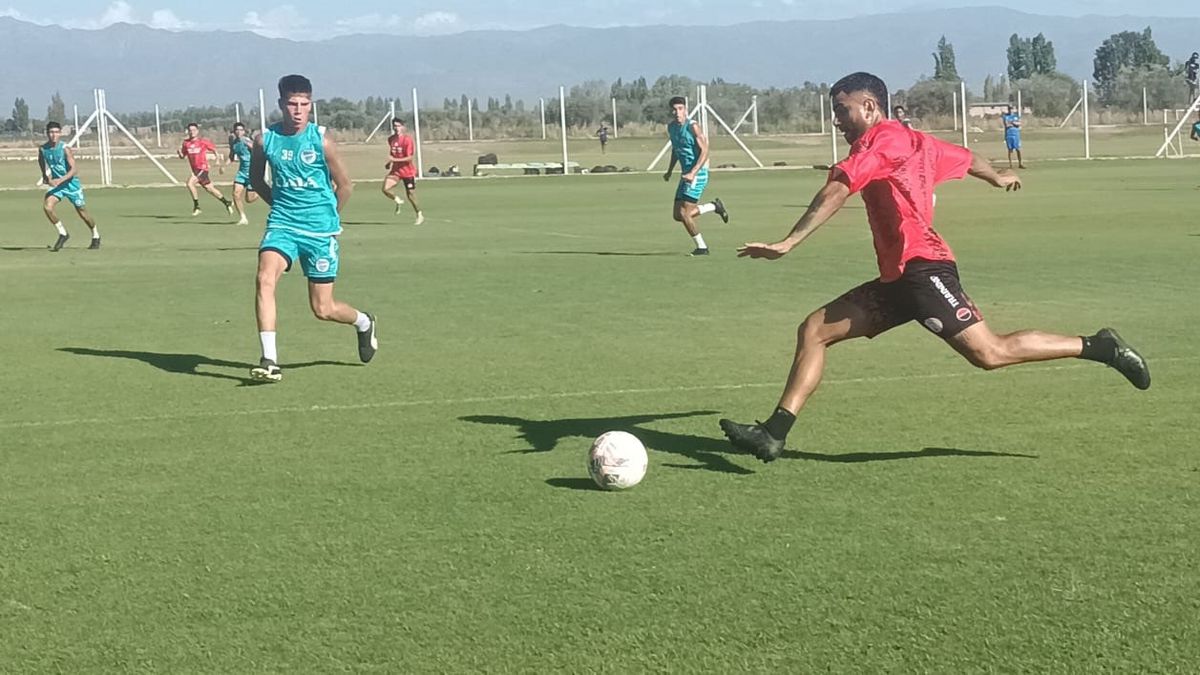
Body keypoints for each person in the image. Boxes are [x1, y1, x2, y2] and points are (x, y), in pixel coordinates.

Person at [718, 72, 1150, 463]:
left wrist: (789, 241)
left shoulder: (881, 142)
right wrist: (996, 176)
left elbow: (839, 187)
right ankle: (772, 435)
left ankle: (1100, 347)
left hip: (924, 270)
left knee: (990, 353)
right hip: (900, 278)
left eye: (842, 110)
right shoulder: (918, 141)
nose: (838, 121)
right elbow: (964, 156)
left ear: (870, 107)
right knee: (815, 330)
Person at [248, 74, 378, 383]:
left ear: (311, 105)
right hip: (282, 226)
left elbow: (346, 186)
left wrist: (329, 217)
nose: (298, 110)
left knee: (323, 308)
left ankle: (363, 322)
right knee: (264, 278)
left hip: (320, 233)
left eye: (304, 104)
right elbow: (256, 180)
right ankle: (269, 360)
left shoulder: (322, 141)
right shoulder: (264, 140)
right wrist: (280, 208)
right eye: (292, 104)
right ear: (281, 104)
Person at [663, 96, 728, 256]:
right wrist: (670, 170)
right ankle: (714, 206)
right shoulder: (671, 128)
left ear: (685, 109)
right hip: (686, 174)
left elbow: (705, 151)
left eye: (680, 108)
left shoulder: (693, 127)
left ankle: (702, 248)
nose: (677, 112)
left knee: (685, 214)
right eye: (674, 109)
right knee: (678, 215)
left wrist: (694, 172)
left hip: (698, 174)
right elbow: (676, 150)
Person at [38, 121, 100, 251]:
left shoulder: (65, 149)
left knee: (82, 212)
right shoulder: (43, 149)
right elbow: (41, 161)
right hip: (58, 186)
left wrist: (60, 180)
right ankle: (63, 233)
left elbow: (74, 170)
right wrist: (45, 176)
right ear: (47, 133)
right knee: (47, 207)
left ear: (60, 133)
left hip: (71, 185)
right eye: (50, 132)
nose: (53, 135)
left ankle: (95, 234)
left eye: (56, 132)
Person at [179, 122, 234, 217]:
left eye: (194, 130)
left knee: (190, 183)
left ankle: (197, 207)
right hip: (195, 169)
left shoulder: (202, 142)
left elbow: (214, 150)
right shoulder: (186, 143)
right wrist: (179, 153)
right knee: (210, 189)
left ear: (197, 131)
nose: (192, 132)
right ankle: (227, 202)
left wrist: (217, 160)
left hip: (202, 168)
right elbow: (183, 156)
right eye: (190, 130)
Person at [382, 117, 424, 225]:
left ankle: (419, 214)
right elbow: (392, 154)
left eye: (398, 126)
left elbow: (409, 158)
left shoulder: (407, 140)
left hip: (407, 171)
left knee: (410, 194)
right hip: (396, 171)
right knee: (385, 189)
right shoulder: (391, 139)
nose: (396, 128)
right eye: (394, 126)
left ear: (403, 127)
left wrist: (394, 159)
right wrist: (389, 163)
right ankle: (397, 200)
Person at [228, 122, 258, 225]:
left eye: (241, 130)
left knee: (249, 199)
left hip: (252, 172)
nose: (238, 132)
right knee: (235, 194)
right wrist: (224, 165)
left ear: (244, 131)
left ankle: (259, 191)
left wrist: (251, 146)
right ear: (234, 131)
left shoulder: (247, 141)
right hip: (241, 173)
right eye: (237, 130)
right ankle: (243, 218)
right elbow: (231, 156)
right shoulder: (234, 143)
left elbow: (257, 150)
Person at [1002, 104, 1025, 169]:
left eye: (1012, 108)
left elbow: (1019, 124)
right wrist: (1014, 123)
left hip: (1016, 135)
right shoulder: (1005, 116)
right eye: (1009, 108)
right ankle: (1011, 164)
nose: (1011, 110)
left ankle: (1020, 163)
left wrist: (1012, 123)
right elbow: (1007, 125)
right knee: (1010, 150)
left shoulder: (1016, 116)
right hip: (1009, 135)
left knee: (1018, 149)